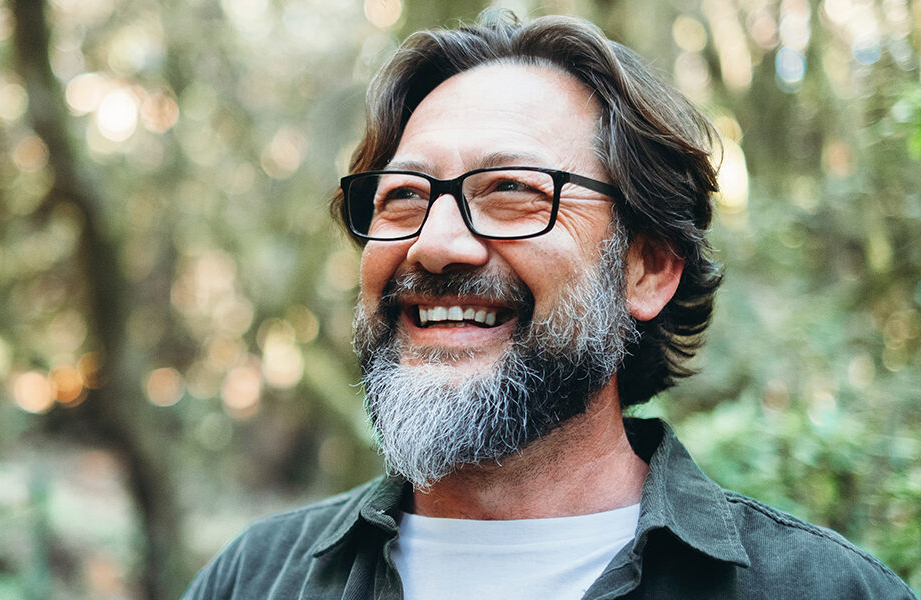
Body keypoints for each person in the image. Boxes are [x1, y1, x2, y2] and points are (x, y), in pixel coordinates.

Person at [182, 13, 916, 600]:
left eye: (511, 193)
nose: (435, 245)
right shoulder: (253, 579)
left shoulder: (825, 590)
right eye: (402, 197)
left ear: (649, 269)